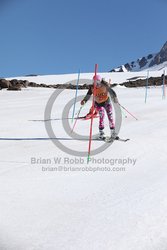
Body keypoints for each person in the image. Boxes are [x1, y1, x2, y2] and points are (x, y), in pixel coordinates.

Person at [81, 75, 118, 139]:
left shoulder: (105, 86)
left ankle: (113, 132)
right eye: (94, 82)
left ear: (100, 81)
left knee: (110, 117)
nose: (96, 84)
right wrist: (84, 101)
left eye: (97, 82)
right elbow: (88, 95)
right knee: (102, 116)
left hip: (107, 102)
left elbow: (112, 92)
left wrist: (115, 98)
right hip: (98, 104)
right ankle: (101, 132)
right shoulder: (92, 88)